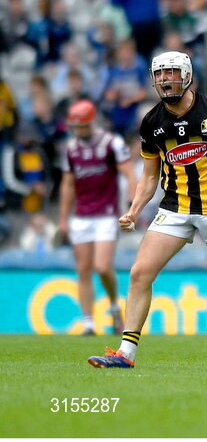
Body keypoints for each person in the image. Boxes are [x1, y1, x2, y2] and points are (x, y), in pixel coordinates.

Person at [87, 52, 207, 370]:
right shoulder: (152, 122)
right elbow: (149, 175)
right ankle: (125, 354)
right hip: (175, 209)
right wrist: (134, 209)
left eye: (171, 73)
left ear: (186, 76)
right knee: (139, 273)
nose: (165, 80)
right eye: (159, 75)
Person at [58, 100, 136, 335]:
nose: (78, 131)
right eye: (75, 127)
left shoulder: (112, 143)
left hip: (106, 214)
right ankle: (88, 323)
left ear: (91, 122)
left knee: (102, 267)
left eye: (82, 126)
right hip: (81, 216)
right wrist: (63, 219)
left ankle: (113, 306)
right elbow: (68, 184)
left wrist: (132, 207)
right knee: (82, 269)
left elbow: (129, 174)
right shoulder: (71, 149)